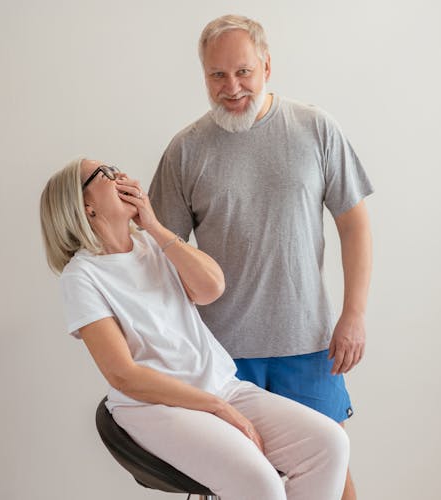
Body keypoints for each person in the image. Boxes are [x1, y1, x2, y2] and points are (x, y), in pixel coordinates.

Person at [148, 15, 374, 500]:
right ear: (204, 76)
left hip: (308, 343)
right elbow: (159, 256)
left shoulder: (315, 129)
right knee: (240, 484)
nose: (231, 87)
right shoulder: (186, 151)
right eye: (217, 75)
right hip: (221, 355)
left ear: (267, 66)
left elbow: (354, 225)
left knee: (332, 470)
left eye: (243, 71)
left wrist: (353, 315)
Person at [40, 157, 350, 500]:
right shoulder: (81, 277)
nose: (122, 175)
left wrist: (155, 228)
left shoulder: (152, 245)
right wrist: (215, 407)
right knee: (259, 483)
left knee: (329, 444)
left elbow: (212, 287)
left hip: (220, 385)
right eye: (106, 174)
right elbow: (123, 375)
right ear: (86, 207)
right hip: (153, 406)